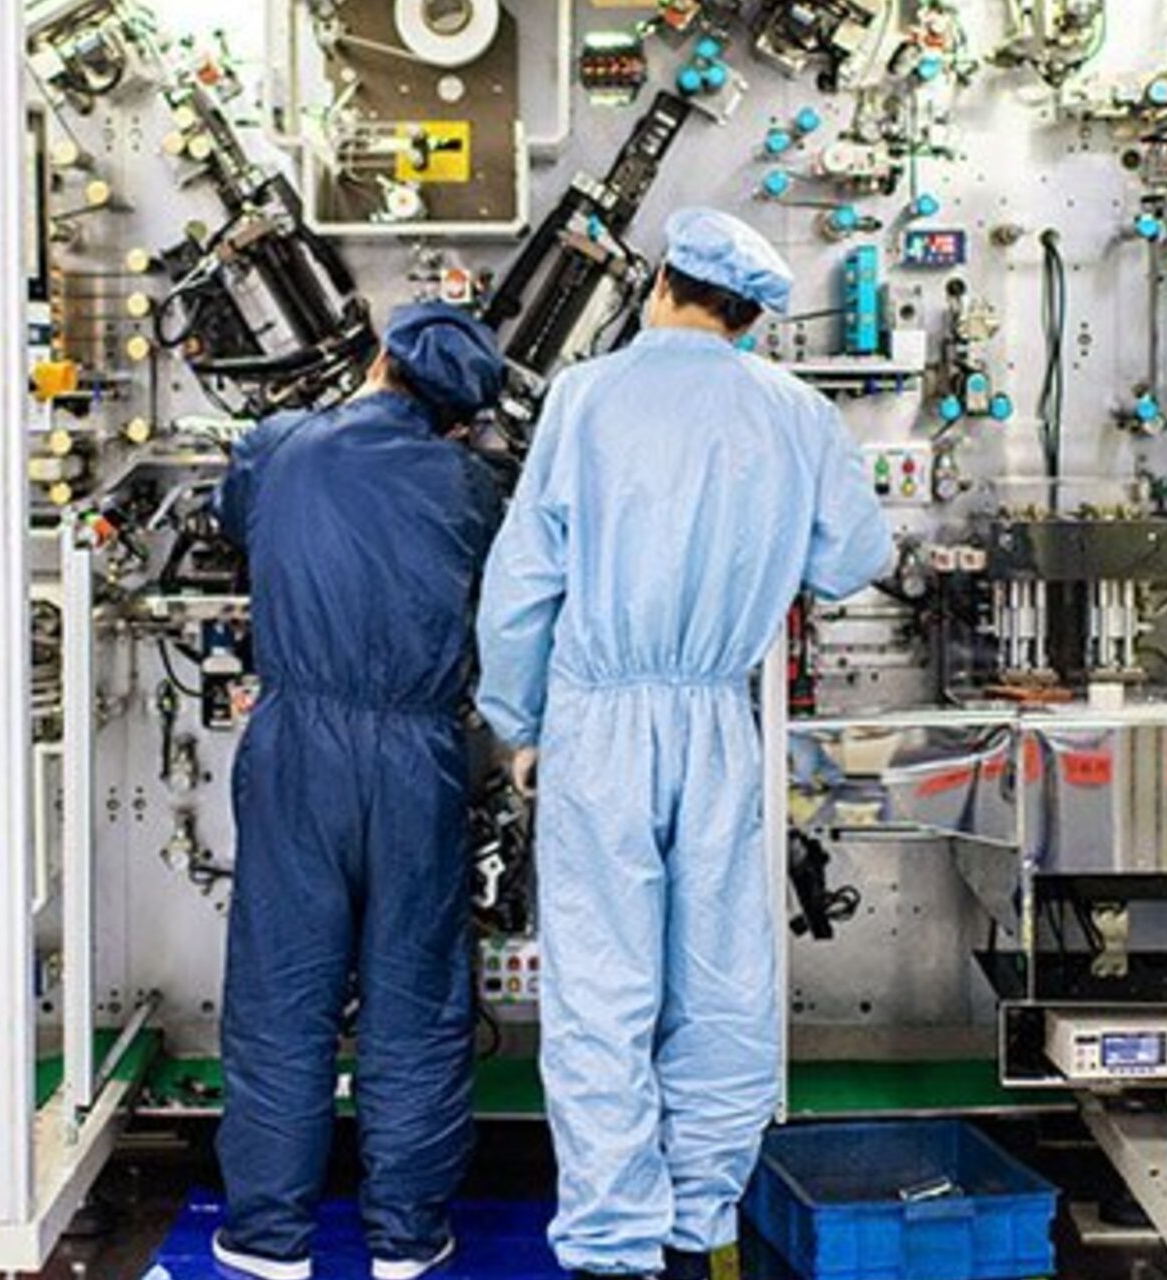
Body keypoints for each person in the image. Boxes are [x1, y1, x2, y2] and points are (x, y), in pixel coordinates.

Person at [474, 208, 893, 1280]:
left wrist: (519, 727)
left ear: (659, 282)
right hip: (718, 717)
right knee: (720, 977)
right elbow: (854, 556)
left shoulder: (586, 395)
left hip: (599, 720)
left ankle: (614, 1243)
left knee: (603, 986)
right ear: (753, 318)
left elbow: (524, 583)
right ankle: (700, 1213)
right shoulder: (794, 411)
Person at [211, 303, 506, 1280]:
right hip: (421, 753)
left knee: (282, 995)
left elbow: (230, 518)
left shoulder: (280, 446)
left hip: (299, 745)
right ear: (461, 414)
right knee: (415, 1001)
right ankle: (409, 1237)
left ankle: (265, 1239)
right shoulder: (472, 484)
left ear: (379, 355)